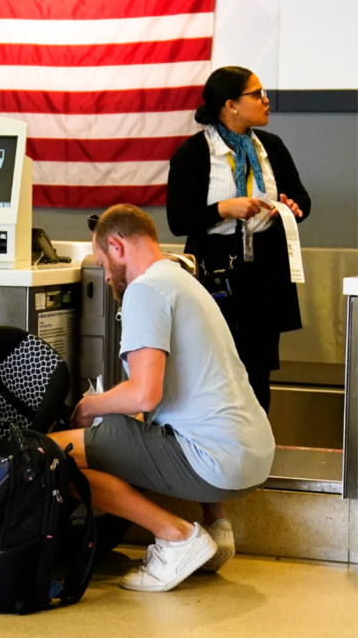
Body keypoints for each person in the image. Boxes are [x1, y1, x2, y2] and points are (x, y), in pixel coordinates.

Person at [49, 205, 275, 592]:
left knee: (54, 458)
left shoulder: (144, 289)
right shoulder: (181, 279)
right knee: (126, 428)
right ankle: (216, 529)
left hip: (217, 462)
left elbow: (143, 394)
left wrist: (86, 407)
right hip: (252, 456)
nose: (105, 277)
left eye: (103, 264)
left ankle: (178, 538)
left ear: (116, 246)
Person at [167, 66, 310, 412]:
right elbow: (177, 220)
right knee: (214, 365)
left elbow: (302, 199)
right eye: (257, 94)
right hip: (216, 271)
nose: (266, 100)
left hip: (264, 270)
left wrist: (291, 207)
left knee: (258, 371)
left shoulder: (271, 147)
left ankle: (256, 452)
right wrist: (224, 208)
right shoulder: (194, 153)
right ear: (230, 105)